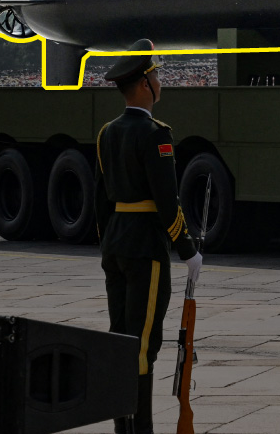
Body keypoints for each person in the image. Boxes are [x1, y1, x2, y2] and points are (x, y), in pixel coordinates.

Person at [92, 39, 202, 434]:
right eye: (155, 75)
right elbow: (167, 201)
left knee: (121, 340)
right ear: (144, 85)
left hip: (116, 245)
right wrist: (187, 249)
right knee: (142, 346)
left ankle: (123, 428)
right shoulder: (156, 134)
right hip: (144, 248)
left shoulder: (107, 133)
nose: (159, 80)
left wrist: (108, 244)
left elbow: (101, 201)